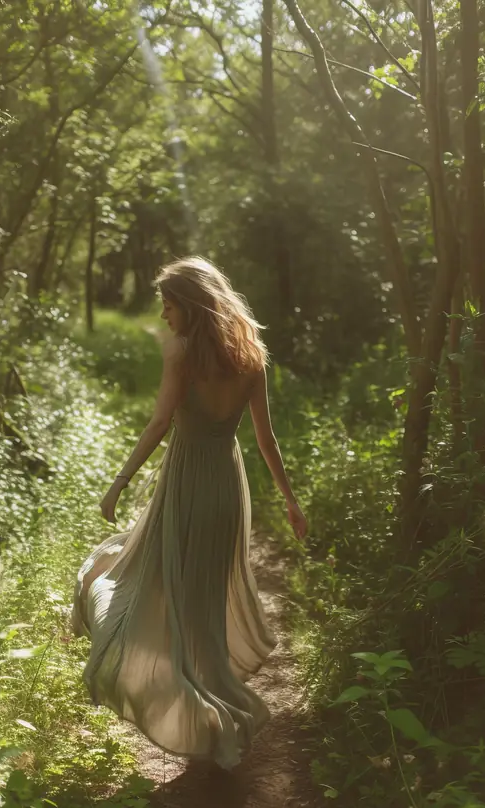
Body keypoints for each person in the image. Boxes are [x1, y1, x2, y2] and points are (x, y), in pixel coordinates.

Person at [71, 256, 308, 770]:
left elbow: (159, 424)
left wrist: (117, 484)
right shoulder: (251, 357)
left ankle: (203, 711)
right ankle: (211, 710)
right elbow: (266, 440)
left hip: (186, 487)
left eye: (169, 304)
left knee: (156, 585)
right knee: (201, 602)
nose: (163, 315)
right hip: (226, 487)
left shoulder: (181, 354)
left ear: (191, 306)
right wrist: (290, 500)